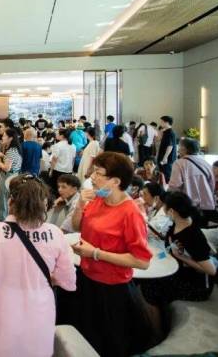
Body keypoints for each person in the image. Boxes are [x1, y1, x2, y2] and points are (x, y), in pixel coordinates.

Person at [0, 175, 76, 357]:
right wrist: (47, 278)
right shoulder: (55, 234)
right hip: (40, 314)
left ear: (11, 201)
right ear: (44, 204)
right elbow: (68, 280)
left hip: (5, 313)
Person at [66, 152, 153, 357]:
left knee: (108, 343)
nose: (92, 177)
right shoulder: (97, 199)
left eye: (98, 173)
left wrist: (95, 253)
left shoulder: (131, 213)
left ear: (115, 181)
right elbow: (78, 226)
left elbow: (142, 261)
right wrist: (80, 204)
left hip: (111, 288)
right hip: (86, 277)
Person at [139, 192, 216, 328]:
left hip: (197, 286)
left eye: (165, 207)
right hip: (180, 271)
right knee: (146, 282)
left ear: (172, 211)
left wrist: (182, 257)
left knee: (149, 287)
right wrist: (157, 257)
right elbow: (171, 249)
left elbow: (211, 270)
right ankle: (156, 320)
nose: (163, 209)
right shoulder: (176, 224)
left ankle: (157, 332)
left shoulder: (193, 234)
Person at [167, 138, 216, 224]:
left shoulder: (179, 163)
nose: (178, 150)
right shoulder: (206, 163)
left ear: (184, 149)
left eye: (179, 147)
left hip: (188, 206)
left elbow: (174, 186)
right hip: (207, 206)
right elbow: (212, 185)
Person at [0, 128, 23, 220]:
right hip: (14, 175)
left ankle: (2, 221)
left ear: (10, 138)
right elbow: (11, 160)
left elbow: (7, 168)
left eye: (4, 136)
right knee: (7, 200)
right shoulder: (15, 149)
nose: (2, 137)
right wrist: (3, 156)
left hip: (8, 176)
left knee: (2, 201)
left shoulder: (11, 151)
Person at [157, 115, 177, 182]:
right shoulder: (166, 132)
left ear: (167, 122)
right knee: (162, 174)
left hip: (167, 158)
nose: (160, 123)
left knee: (166, 175)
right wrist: (160, 132)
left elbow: (170, 146)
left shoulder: (170, 132)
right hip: (164, 156)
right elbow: (158, 139)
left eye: (162, 122)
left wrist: (165, 157)